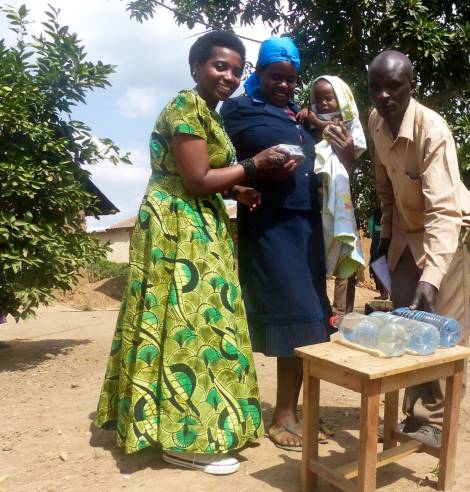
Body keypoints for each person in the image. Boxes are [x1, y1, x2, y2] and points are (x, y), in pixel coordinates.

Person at [94, 31, 292, 475]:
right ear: (196, 66)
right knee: (193, 322)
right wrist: (256, 165)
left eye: (237, 69)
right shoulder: (185, 105)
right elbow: (197, 179)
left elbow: (204, 180)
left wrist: (237, 188)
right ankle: (184, 440)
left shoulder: (208, 114)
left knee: (182, 321)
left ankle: (162, 425)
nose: (230, 75)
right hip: (176, 227)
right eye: (220, 66)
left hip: (195, 220)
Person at [220, 37, 334, 451]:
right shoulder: (237, 110)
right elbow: (215, 164)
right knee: (292, 318)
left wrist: (313, 124)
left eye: (291, 79)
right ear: (259, 74)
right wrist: (244, 183)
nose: (284, 85)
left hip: (306, 227)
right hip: (270, 227)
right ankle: (281, 415)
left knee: (310, 319)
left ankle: (292, 410)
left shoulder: (296, 116)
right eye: (275, 77)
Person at [367, 50, 470, 447]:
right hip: (404, 231)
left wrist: (432, 276)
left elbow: (443, 211)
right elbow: (384, 188)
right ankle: (417, 415)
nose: (384, 96)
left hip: (445, 235)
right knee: (409, 328)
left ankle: (438, 420)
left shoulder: (432, 129)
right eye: (376, 87)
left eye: (394, 87)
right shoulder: (375, 122)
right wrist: (382, 243)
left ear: (410, 86)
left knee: (443, 330)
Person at [298, 76, 367, 318]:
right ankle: (326, 308)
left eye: (329, 98)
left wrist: (313, 118)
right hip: (317, 197)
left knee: (343, 251)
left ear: (341, 98)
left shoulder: (343, 121)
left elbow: (331, 132)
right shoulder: (307, 121)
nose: (324, 104)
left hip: (338, 198)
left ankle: (341, 311)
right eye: (318, 100)